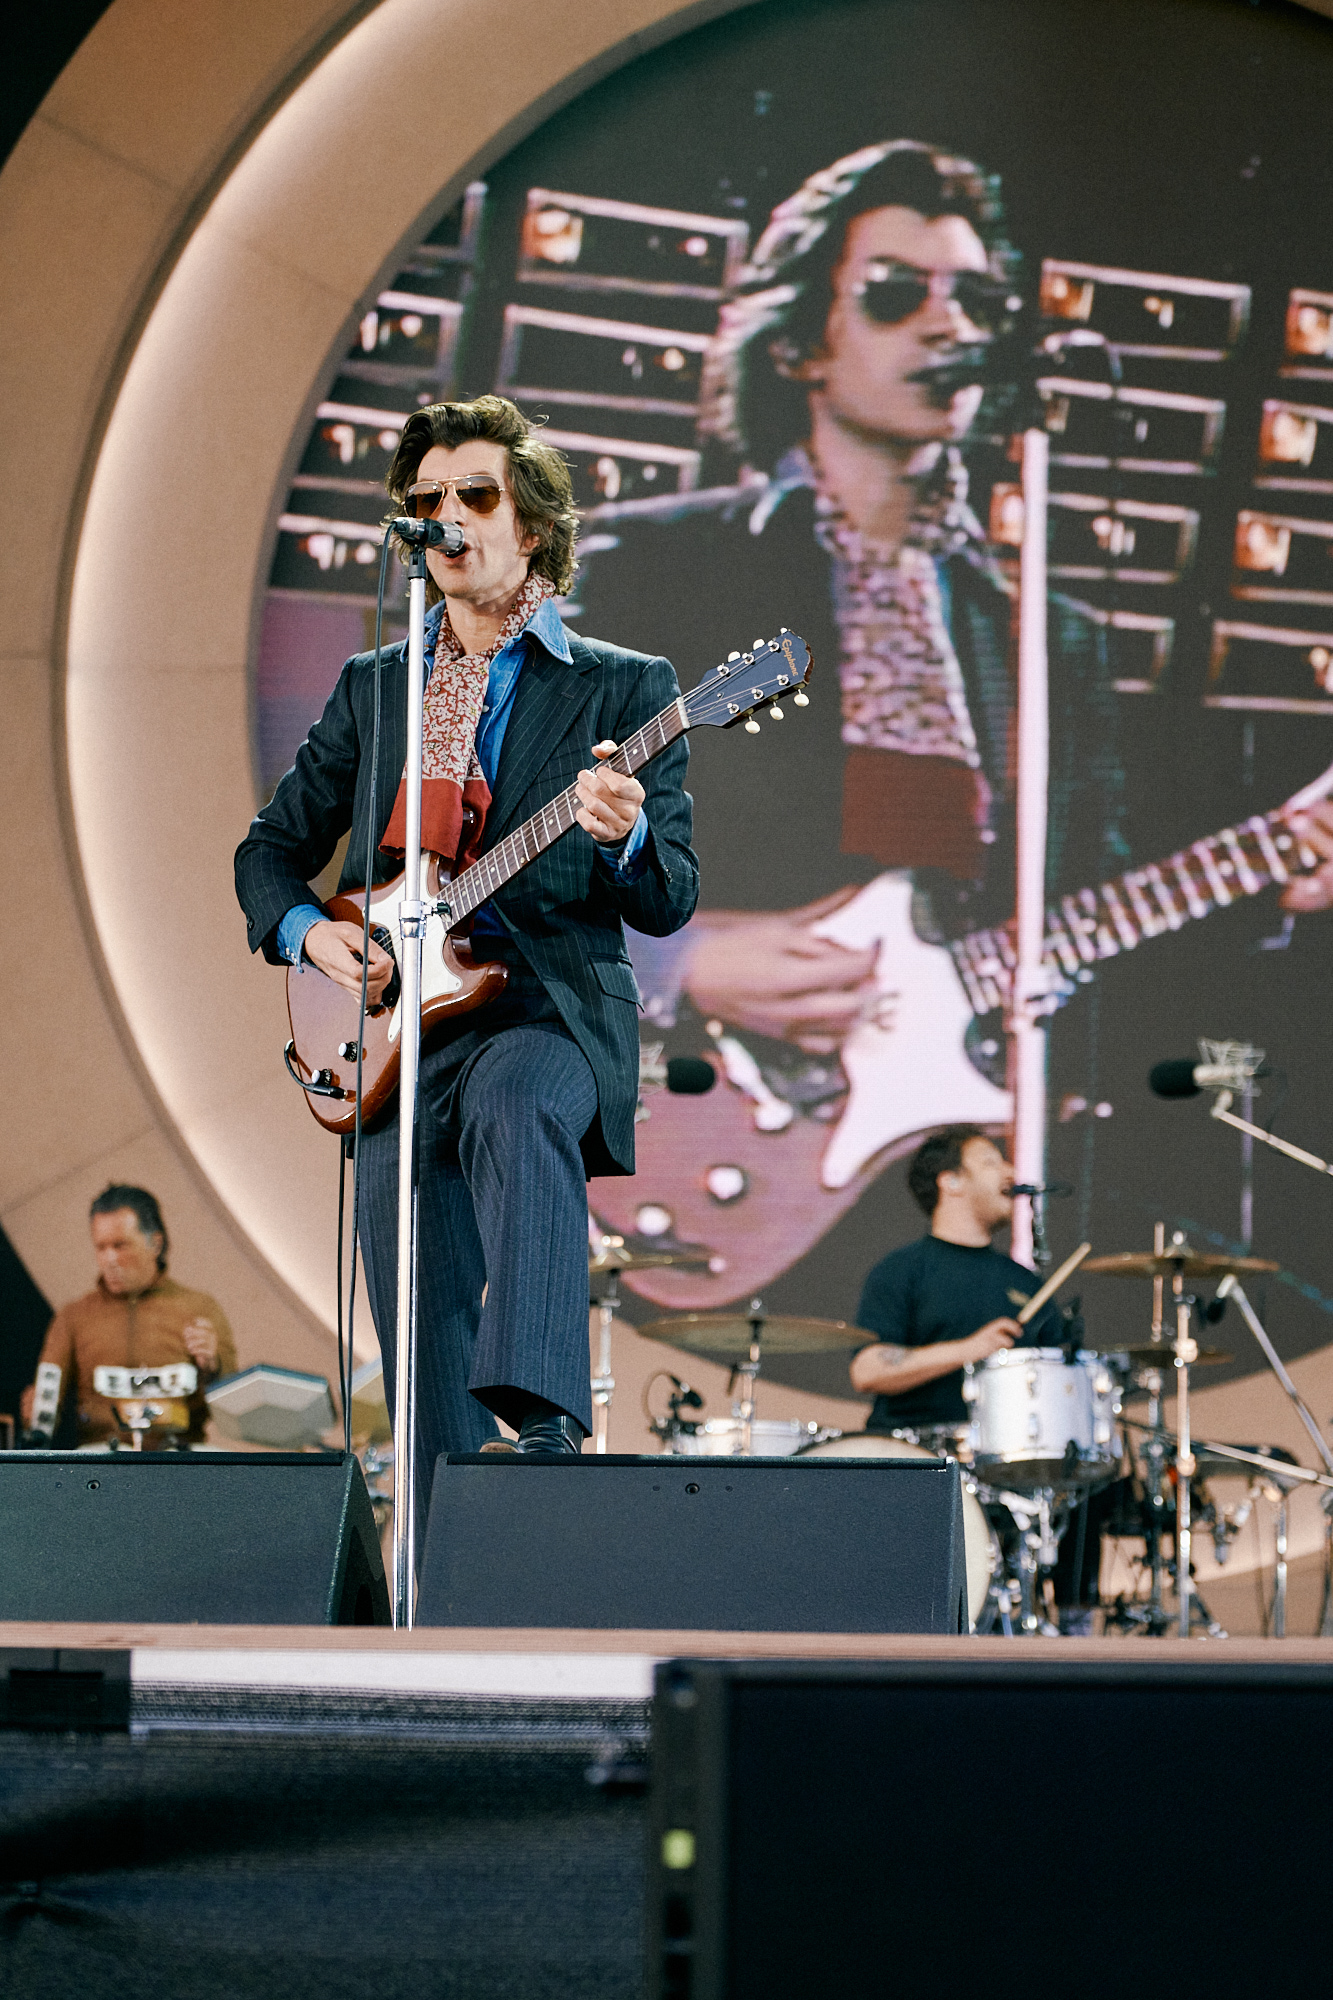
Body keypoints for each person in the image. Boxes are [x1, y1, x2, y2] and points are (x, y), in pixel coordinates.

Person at [576, 139, 1333, 1300]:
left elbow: (1086, 911)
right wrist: (683, 961)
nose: (945, 327)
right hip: (704, 1107)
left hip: (953, 1148)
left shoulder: (1045, 635)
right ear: (797, 342)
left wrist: (1271, 875)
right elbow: (486, 844)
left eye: (973, 301)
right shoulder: (661, 565)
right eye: (893, 294)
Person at [235, 394, 697, 1507]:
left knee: (515, 1104)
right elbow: (268, 855)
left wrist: (623, 828)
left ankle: (544, 1421)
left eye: (474, 497)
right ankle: (442, 1556)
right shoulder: (375, 687)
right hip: (396, 1039)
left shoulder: (625, 687)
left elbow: (670, 894)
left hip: (543, 1010)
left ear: (529, 523)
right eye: (427, 501)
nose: (447, 517)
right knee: (414, 1299)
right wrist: (314, 937)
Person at [849, 1125, 1060, 1428]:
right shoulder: (902, 1270)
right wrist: (970, 1349)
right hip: (915, 1461)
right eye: (991, 1162)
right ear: (951, 1181)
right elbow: (867, 1371)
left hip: (1003, 1460)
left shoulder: (1026, 1282)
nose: (1010, 1172)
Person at [21, 1185, 236, 1446]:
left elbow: (232, 1410)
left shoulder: (200, 1307)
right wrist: (35, 1414)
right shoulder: (74, 1316)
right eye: (101, 1247)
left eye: (120, 1245)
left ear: (155, 1243)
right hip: (102, 1461)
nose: (109, 1259)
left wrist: (214, 1367)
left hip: (182, 1457)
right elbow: (46, 1404)